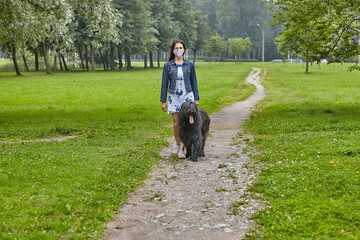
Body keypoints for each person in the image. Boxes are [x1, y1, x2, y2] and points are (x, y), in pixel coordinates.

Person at [160, 40, 200, 158]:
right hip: (174, 96)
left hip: (187, 96)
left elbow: (194, 81)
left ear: (184, 49)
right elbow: (164, 84)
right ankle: (178, 145)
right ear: (173, 50)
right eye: (176, 47)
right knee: (176, 123)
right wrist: (163, 100)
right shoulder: (168, 66)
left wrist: (196, 98)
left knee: (188, 122)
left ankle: (182, 149)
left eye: (180, 47)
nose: (178, 49)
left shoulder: (189, 65)